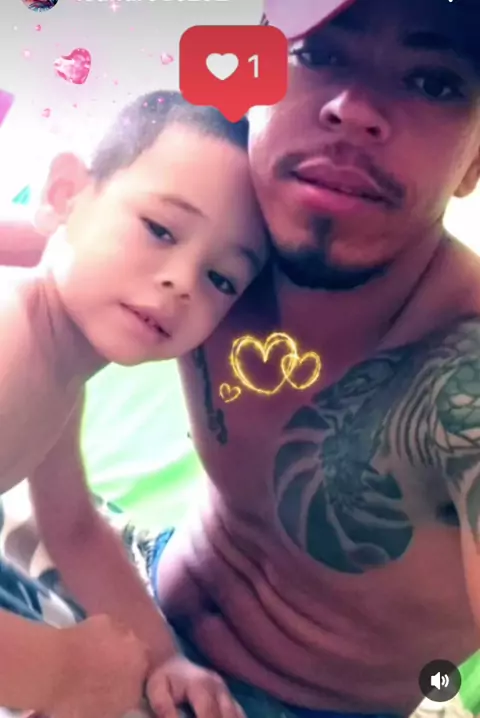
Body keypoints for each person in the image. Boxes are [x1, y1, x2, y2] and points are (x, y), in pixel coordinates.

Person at [3, 0, 480, 716]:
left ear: (476, 158)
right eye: (318, 54)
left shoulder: (461, 379)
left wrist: (62, 673)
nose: (354, 109)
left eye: (433, 82)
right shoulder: (218, 245)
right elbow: (66, 235)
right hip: (130, 593)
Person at [0, 91, 266, 717]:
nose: (182, 281)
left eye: (221, 279)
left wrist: (165, 655)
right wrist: (57, 671)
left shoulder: (58, 365)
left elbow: (73, 526)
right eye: (160, 230)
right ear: (66, 195)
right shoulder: (10, 343)